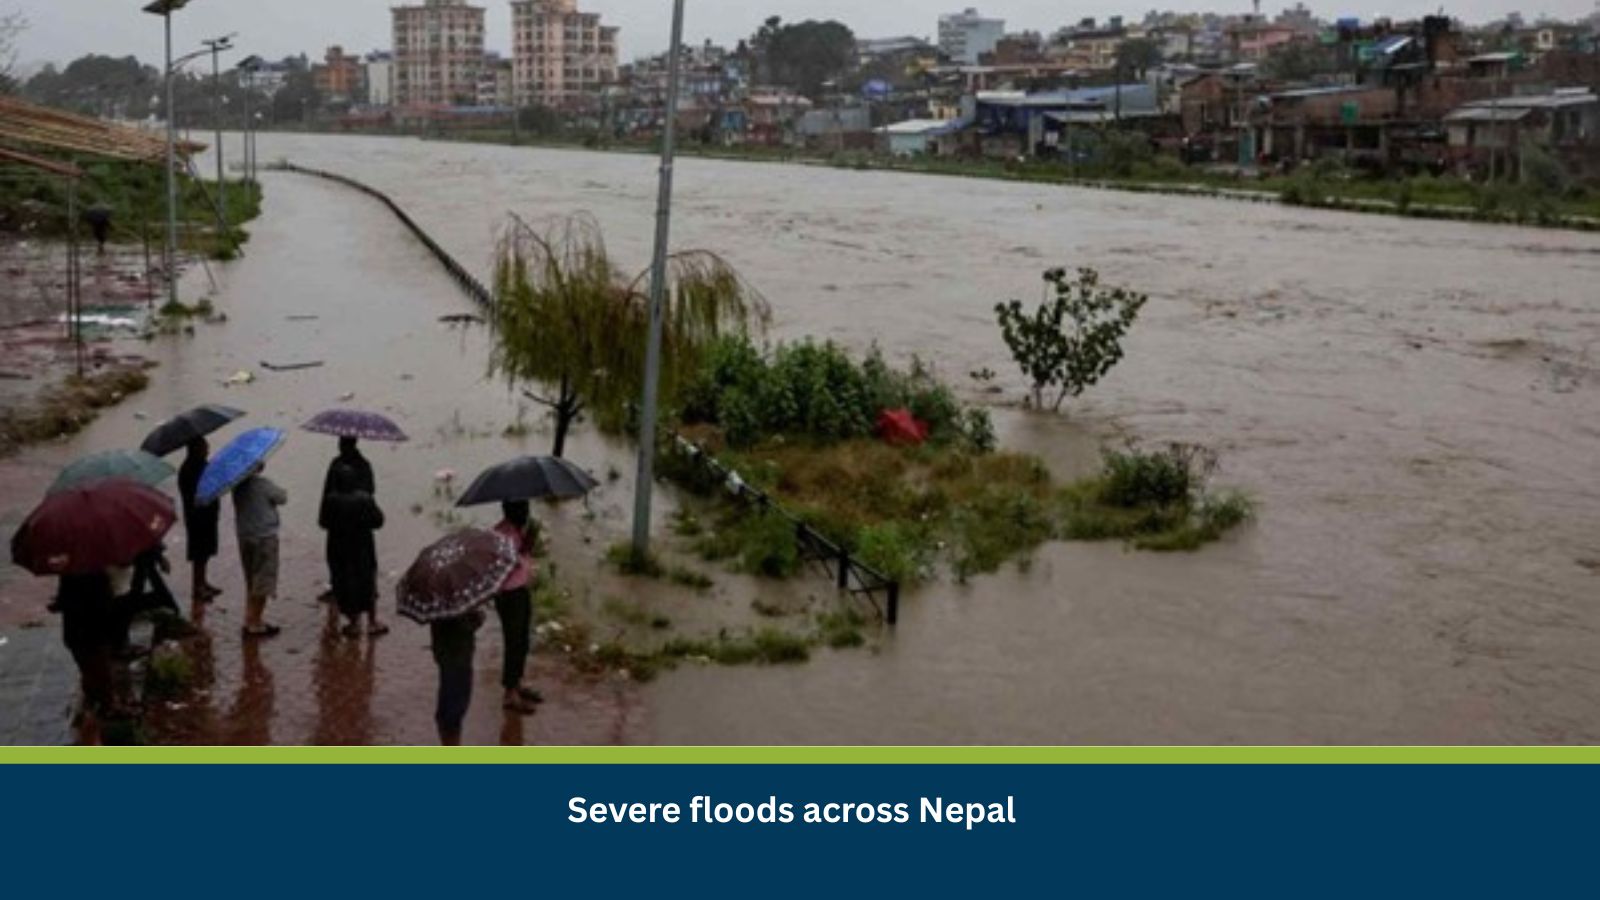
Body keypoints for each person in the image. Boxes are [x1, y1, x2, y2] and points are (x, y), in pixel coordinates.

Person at [318, 461, 388, 638]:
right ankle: (372, 621)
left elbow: (323, 523)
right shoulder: (365, 498)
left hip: (340, 546)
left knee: (345, 582)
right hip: (364, 546)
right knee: (367, 580)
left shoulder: (330, 500)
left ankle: (353, 622)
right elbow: (378, 521)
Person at [55, 571, 118, 744]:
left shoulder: (72, 569)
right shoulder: (94, 573)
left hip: (79, 630)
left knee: (91, 666)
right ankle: (100, 711)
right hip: (90, 629)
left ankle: (96, 710)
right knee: (97, 667)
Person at [493, 501, 541, 715]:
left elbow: (524, 557)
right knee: (513, 641)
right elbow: (504, 566)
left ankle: (517, 683)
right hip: (509, 594)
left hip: (521, 590)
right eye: (522, 509)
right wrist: (522, 547)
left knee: (522, 639)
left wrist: (528, 542)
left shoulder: (518, 531)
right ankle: (509, 693)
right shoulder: (499, 535)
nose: (525, 513)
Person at [232, 463, 287, 639]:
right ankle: (254, 623)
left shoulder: (236, 487)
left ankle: (250, 618)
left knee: (251, 580)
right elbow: (282, 498)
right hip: (264, 537)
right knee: (263, 581)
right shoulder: (263, 484)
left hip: (245, 536)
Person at [319, 436, 375, 601]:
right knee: (360, 562)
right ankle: (361, 596)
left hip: (338, 524)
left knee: (338, 560)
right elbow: (371, 491)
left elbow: (327, 492)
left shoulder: (337, 465)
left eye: (342, 443)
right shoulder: (364, 465)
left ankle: (342, 592)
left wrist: (324, 519)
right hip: (359, 525)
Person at [177, 437, 222, 612]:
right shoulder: (190, 469)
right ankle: (197, 587)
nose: (208, 449)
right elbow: (197, 491)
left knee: (205, 551)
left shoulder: (199, 465)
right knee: (199, 552)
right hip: (198, 517)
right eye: (205, 446)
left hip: (206, 515)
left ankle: (203, 583)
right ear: (196, 449)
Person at [431, 609, 483, 746]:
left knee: (447, 698)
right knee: (455, 706)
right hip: (458, 652)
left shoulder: (437, 600)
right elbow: (467, 623)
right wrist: (478, 618)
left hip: (443, 650)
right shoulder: (459, 602)